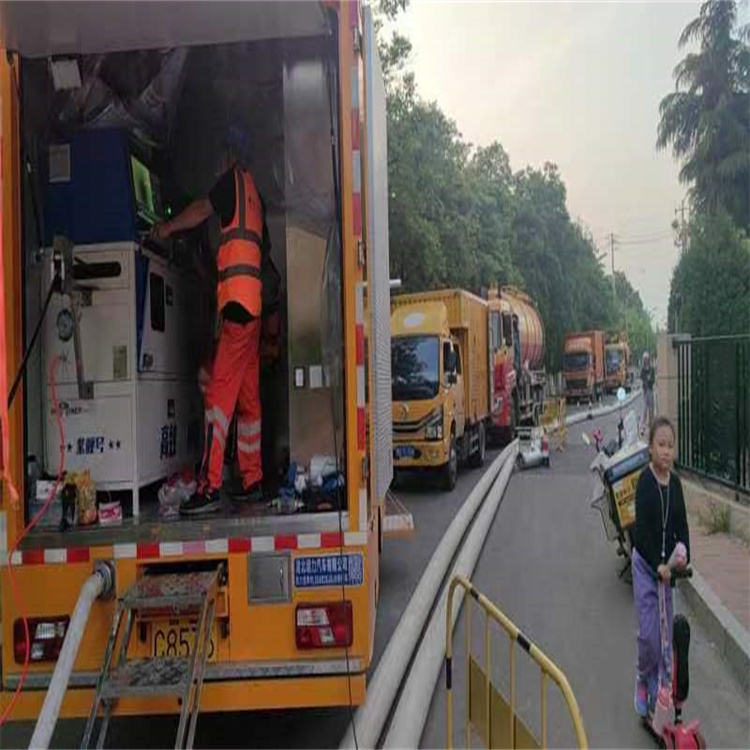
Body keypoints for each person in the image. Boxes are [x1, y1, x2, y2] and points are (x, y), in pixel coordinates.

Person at [153, 126, 267, 515]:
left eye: (223, 152)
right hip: (252, 308)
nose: (220, 160)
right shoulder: (254, 195)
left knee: (218, 399)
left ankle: (209, 484)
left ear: (232, 153)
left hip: (237, 307)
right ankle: (253, 479)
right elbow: (253, 252)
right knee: (248, 401)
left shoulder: (231, 182)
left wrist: (167, 228)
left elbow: (202, 209)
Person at [632, 416, 690, 718]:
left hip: (667, 573)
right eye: (661, 445)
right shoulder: (645, 482)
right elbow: (641, 533)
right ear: (651, 448)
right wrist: (657, 565)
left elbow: (681, 525)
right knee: (650, 638)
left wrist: (684, 557)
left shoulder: (676, 484)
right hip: (646, 566)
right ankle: (643, 678)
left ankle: (662, 692)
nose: (666, 451)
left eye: (670, 445)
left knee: (667, 641)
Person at [640, 352, 656, 433]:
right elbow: (641, 377)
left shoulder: (652, 369)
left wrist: (650, 380)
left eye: (647, 359)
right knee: (645, 409)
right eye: (644, 359)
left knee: (651, 409)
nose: (646, 360)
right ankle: (643, 426)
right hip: (645, 391)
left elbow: (653, 380)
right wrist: (645, 380)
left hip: (650, 389)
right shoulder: (643, 369)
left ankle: (651, 425)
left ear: (648, 360)